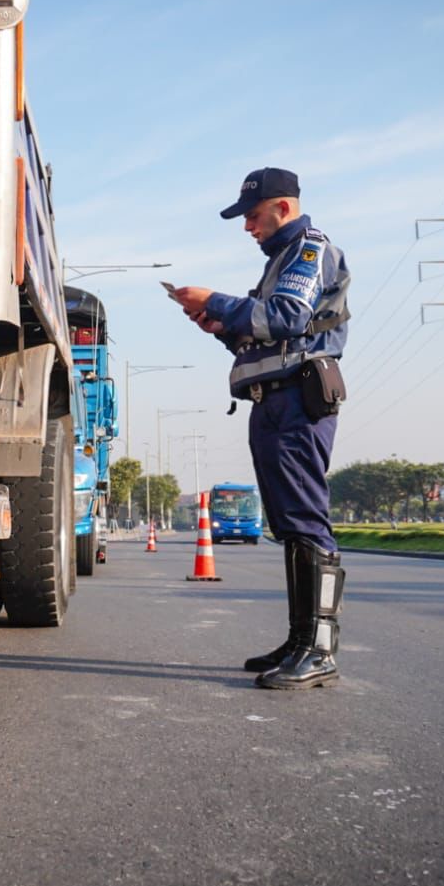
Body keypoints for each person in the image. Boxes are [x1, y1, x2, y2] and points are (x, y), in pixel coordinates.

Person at [169, 168, 351, 690]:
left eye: (253, 215)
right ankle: (299, 641)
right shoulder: (280, 262)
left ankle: (319, 650)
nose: (248, 227)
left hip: (298, 401)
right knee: (288, 525)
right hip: (273, 400)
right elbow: (269, 340)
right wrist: (223, 327)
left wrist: (219, 301)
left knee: (306, 524)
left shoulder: (308, 250)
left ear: (283, 209)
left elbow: (290, 318)